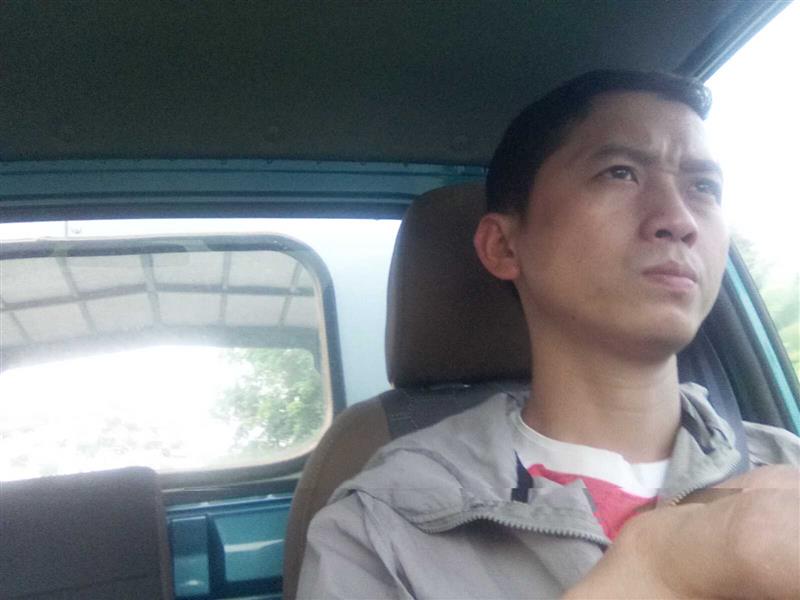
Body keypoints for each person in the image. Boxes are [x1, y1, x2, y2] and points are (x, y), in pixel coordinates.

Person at [296, 70, 800, 599]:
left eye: (704, 188)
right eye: (620, 173)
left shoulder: (784, 464)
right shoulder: (381, 529)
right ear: (503, 247)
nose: (678, 219)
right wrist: (655, 577)